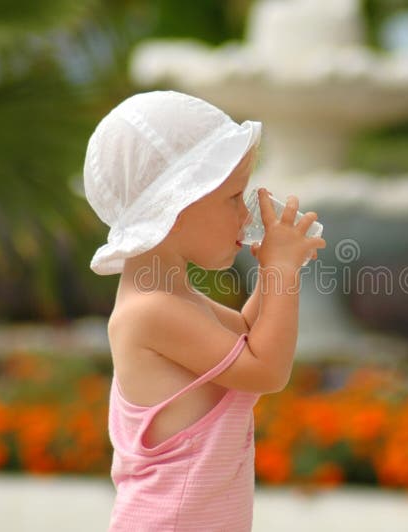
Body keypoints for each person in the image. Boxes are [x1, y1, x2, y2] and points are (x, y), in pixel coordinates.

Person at [83, 90, 326, 531]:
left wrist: (279, 267)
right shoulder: (151, 312)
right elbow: (266, 370)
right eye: (234, 197)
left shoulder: (175, 301)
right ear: (176, 207)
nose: (243, 213)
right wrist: (280, 273)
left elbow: (251, 337)